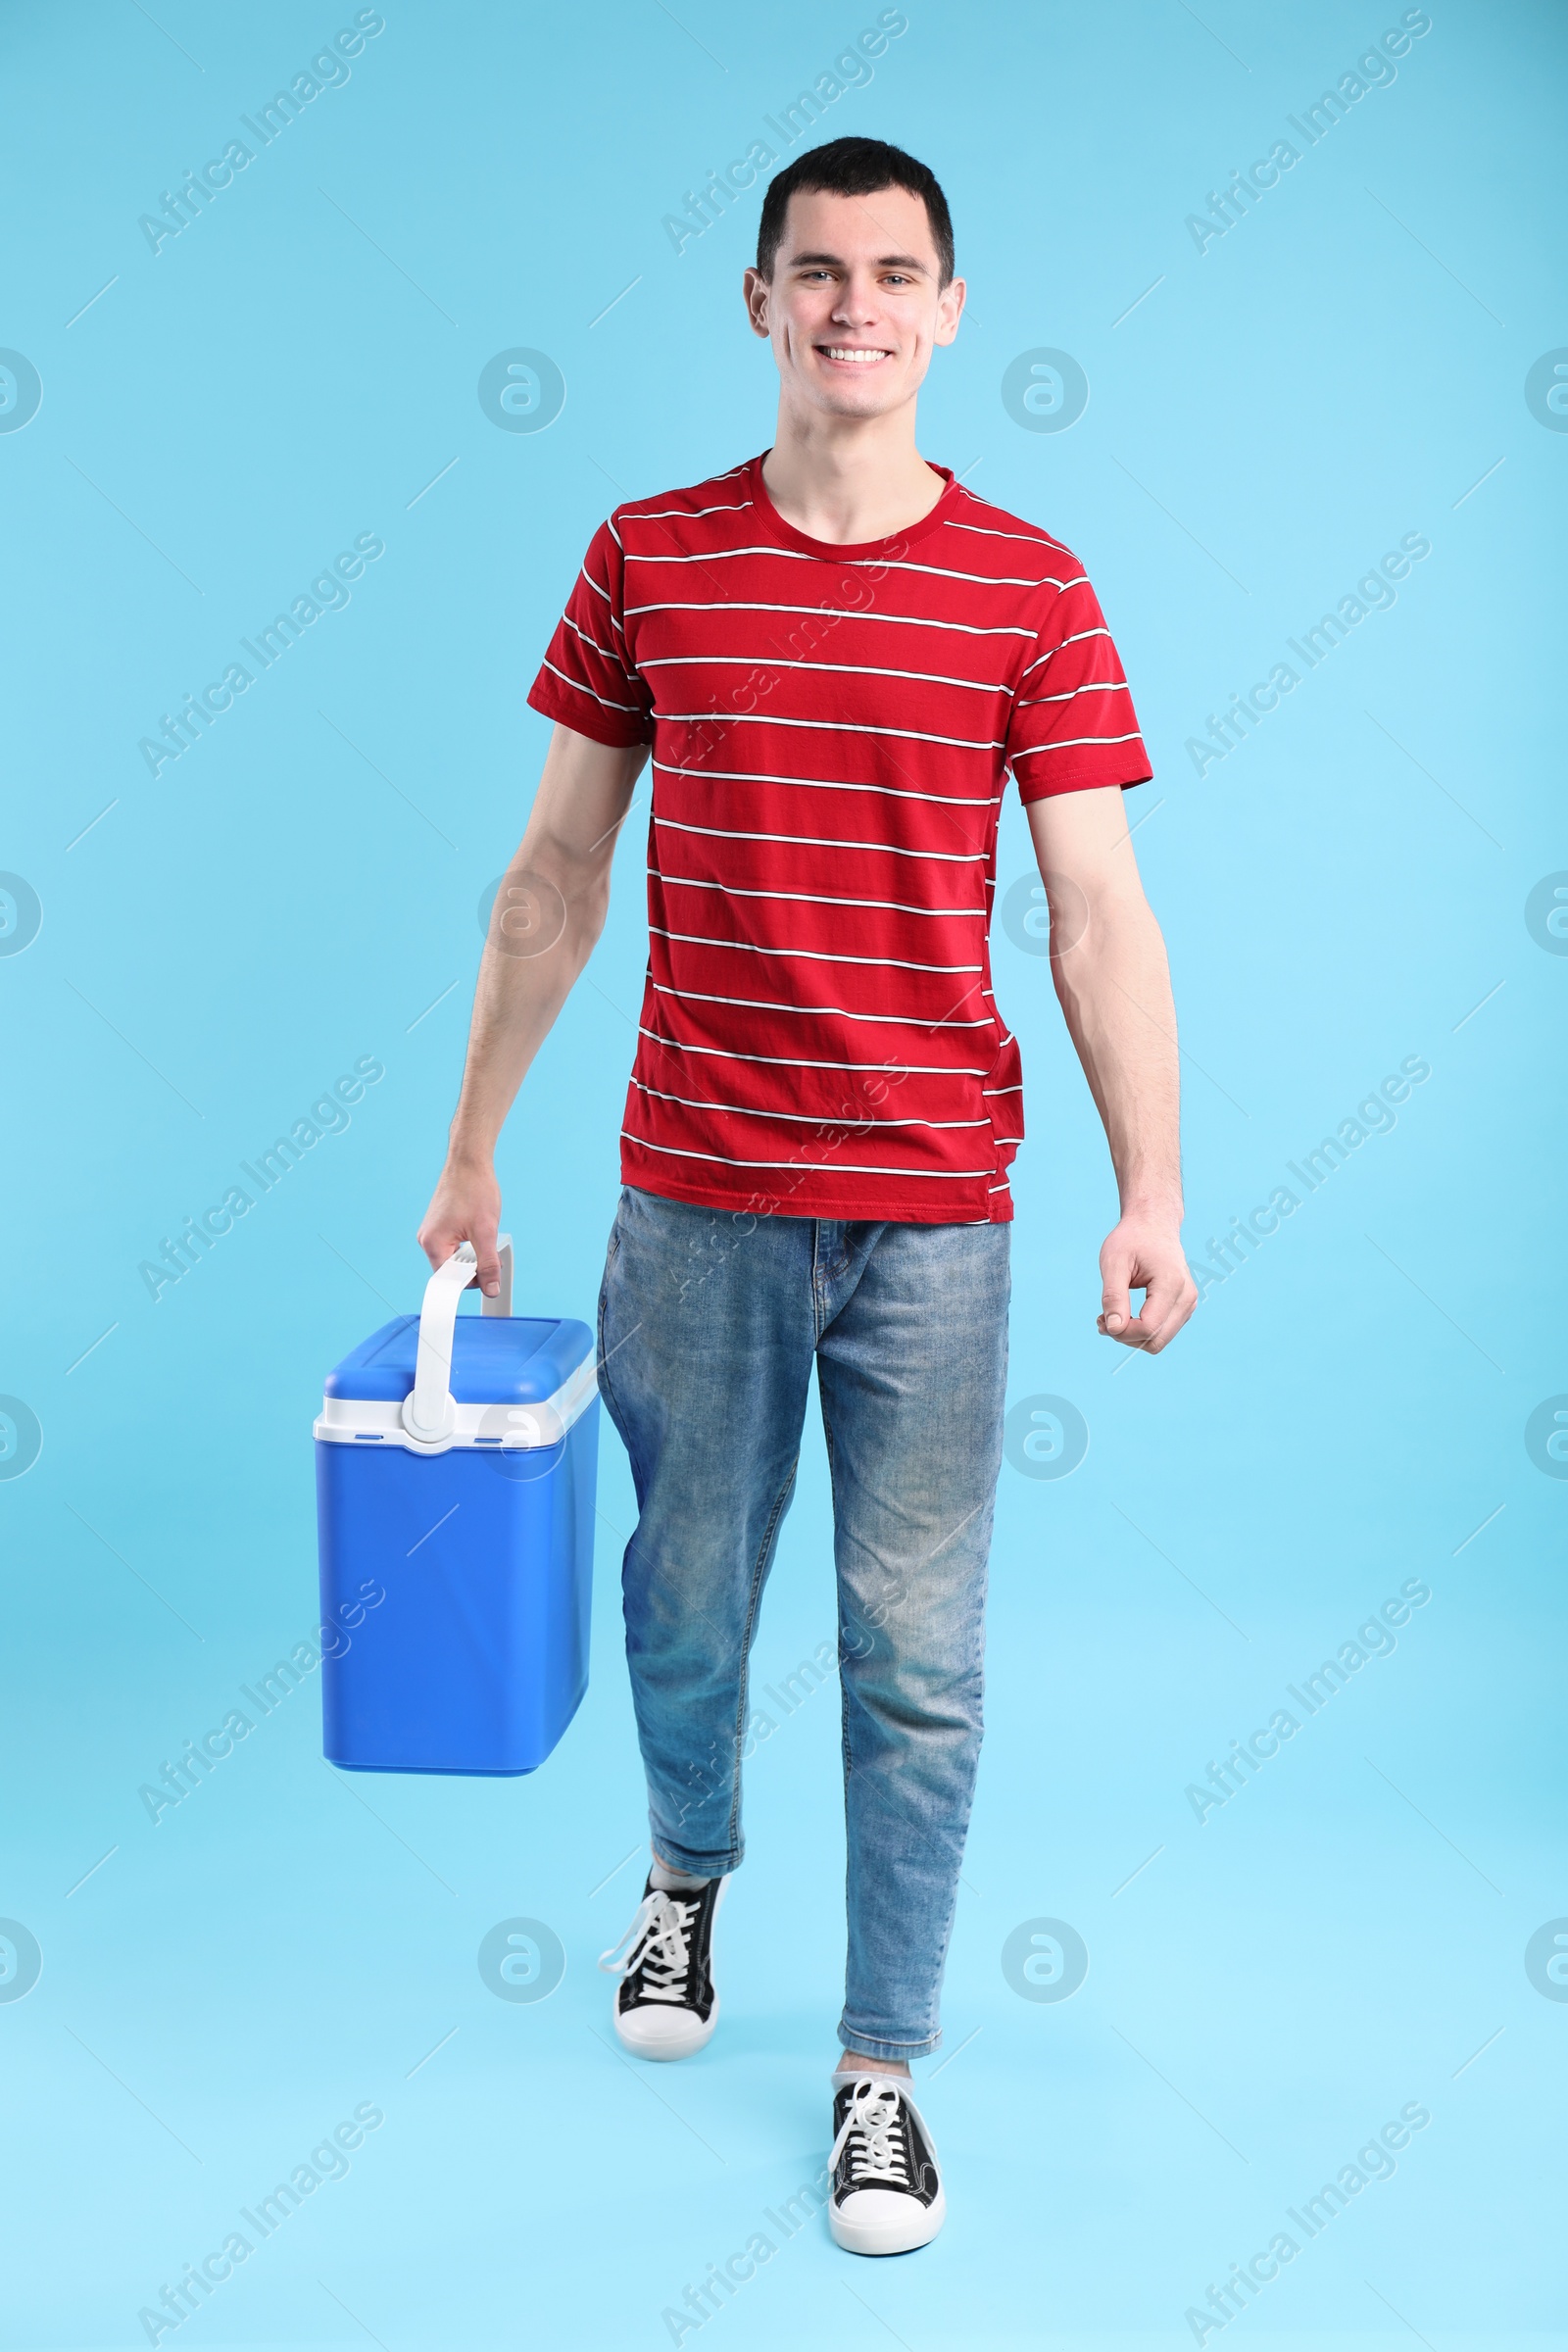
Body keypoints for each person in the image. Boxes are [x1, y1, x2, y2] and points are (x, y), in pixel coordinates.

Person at [418, 134, 1197, 2256]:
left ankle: (879, 2069)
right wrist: (474, 1143)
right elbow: (556, 871)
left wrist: (1152, 1186)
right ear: (757, 303)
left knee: (912, 1656)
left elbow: (1095, 910)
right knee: (682, 1601)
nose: (854, 304)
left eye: (893, 273)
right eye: (816, 270)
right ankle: (684, 1875)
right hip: (689, 1200)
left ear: (948, 313)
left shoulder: (1028, 585)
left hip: (934, 1217)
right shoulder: (650, 556)